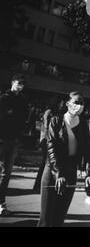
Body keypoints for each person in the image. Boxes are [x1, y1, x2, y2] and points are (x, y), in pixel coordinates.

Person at [38, 91, 90, 227]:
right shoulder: (56, 120)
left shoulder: (83, 125)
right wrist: (58, 174)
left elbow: (88, 150)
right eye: (76, 102)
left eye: (81, 103)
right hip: (53, 171)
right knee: (46, 219)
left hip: (70, 171)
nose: (79, 106)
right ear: (68, 103)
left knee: (59, 217)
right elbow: (51, 148)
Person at [0, 74, 28, 216]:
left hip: (14, 139)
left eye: (23, 83)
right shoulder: (4, 98)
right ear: (12, 83)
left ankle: (1, 203)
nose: (21, 85)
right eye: (19, 83)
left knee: (6, 173)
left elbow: (25, 118)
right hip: (1, 138)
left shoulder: (23, 100)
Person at [33, 97, 64, 193]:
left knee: (46, 162)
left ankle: (39, 185)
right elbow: (47, 126)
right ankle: (39, 185)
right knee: (45, 162)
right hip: (46, 139)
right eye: (61, 103)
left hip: (47, 139)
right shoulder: (49, 112)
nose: (62, 105)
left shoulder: (53, 112)